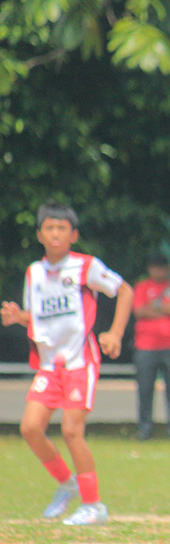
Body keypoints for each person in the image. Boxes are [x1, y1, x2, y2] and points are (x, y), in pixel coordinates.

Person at [0, 201, 134, 525]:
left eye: (62, 228)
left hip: (80, 361)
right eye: (50, 228)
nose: (56, 233)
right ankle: (66, 483)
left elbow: (125, 291)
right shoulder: (34, 272)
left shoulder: (85, 266)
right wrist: (20, 317)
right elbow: (41, 317)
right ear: (39, 234)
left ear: (73, 235)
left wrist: (115, 333)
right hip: (50, 365)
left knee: (72, 430)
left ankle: (94, 505)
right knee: (30, 428)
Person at [132, 252, 170, 441]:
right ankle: (144, 430)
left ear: (168, 269)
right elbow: (139, 310)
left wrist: (155, 308)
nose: (158, 271)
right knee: (145, 389)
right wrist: (166, 308)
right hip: (146, 347)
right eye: (155, 267)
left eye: (162, 267)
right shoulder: (142, 287)